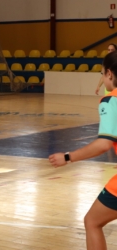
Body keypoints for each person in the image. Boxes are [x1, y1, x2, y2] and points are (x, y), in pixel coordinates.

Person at [49, 50, 117, 250]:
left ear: (110, 74)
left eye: (102, 73)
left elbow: (104, 143)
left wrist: (68, 157)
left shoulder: (110, 101)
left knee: (92, 222)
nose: (103, 78)